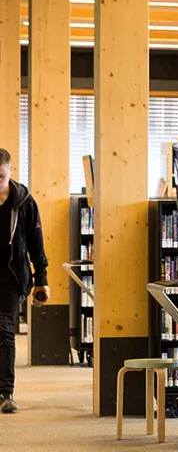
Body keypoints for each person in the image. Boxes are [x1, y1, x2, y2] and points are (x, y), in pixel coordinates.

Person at [0, 148, 50, 414]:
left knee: (5, 330)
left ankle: (6, 391)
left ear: (10, 172)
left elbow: (35, 243)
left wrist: (41, 278)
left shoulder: (24, 201)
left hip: (10, 275)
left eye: (1, 176)